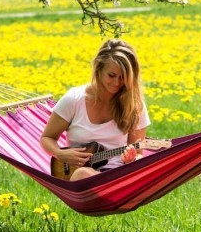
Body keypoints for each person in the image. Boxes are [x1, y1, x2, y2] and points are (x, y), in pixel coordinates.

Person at [41, 39, 150, 181]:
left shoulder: (134, 105)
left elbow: (138, 154)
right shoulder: (74, 99)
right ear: (99, 69)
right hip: (80, 176)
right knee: (83, 174)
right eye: (111, 75)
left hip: (118, 174)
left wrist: (131, 157)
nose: (117, 82)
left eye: (123, 77)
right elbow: (47, 138)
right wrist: (59, 154)